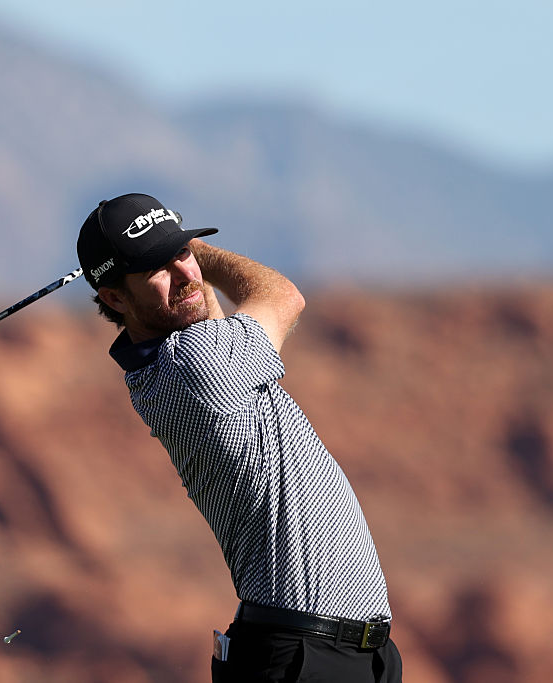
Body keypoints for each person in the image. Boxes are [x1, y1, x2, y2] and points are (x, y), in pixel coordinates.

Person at [77, 193, 402, 683]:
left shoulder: (182, 356)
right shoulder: (195, 364)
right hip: (302, 655)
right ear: (115, 298)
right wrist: (200, 253)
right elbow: (283, 296)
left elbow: (204, 313)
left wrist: (174, 256)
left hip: (345, 652)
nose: (184, 274)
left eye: (181, 253)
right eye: (156, 268)